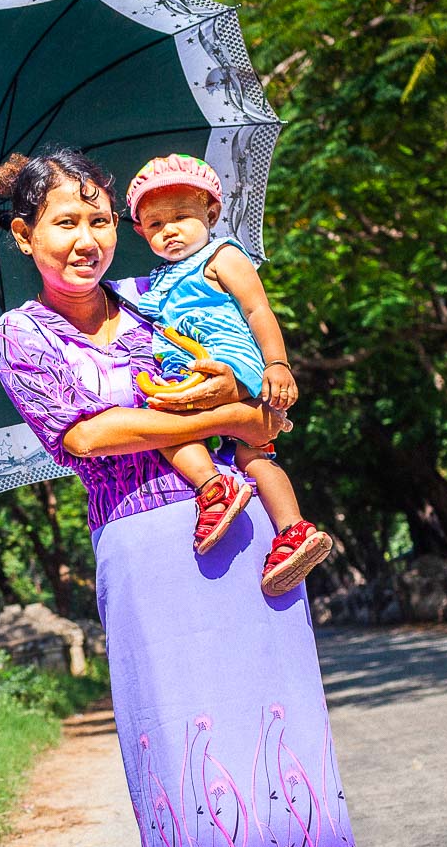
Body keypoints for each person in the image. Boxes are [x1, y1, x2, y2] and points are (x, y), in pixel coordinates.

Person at [0, 148, 392, 847]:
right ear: (24, 237)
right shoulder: (20, 335)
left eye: (99, 219)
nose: (86, 239)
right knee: (197, 775)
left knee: (286, 760)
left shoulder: (160, 298)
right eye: (64, 223)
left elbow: (260, 413)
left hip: (247, 540)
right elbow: (91, 436)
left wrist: (244, 404)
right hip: (145, 553)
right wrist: (212, 418)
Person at [123, 154, 334, 596]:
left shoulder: (223, 256)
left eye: (181, 217)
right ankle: (293, 530)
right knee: (253, 453)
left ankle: (214, 489)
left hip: (230, 363)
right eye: (156, 224)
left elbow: (258, 309)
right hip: (190, 370)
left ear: (211, 214)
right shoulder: (157, 280)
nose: (170, 230)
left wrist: (278, 364)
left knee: (164, 428)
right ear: (140, 231)